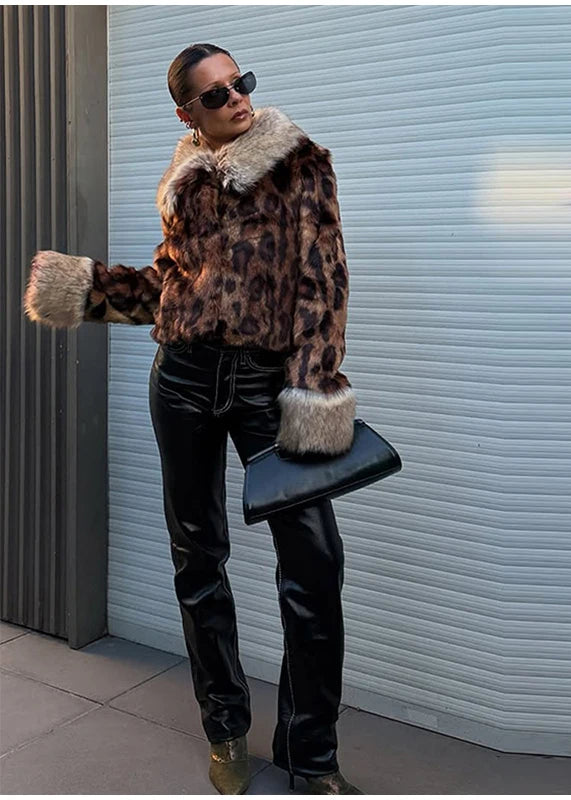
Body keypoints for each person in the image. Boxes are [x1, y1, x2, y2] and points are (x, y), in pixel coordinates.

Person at [23, 42, 363, 796]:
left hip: (268, 387)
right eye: (216, 95)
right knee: (197, 558)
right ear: (187, 113)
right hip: (180, 378)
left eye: (240, 82)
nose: (236, 98)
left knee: (314, 567)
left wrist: (313, 393)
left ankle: (313, 759)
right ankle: (226, 729)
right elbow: (175, 288)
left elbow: (323, 287)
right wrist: (81, 288)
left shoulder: (300, 164)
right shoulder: (186, 180)